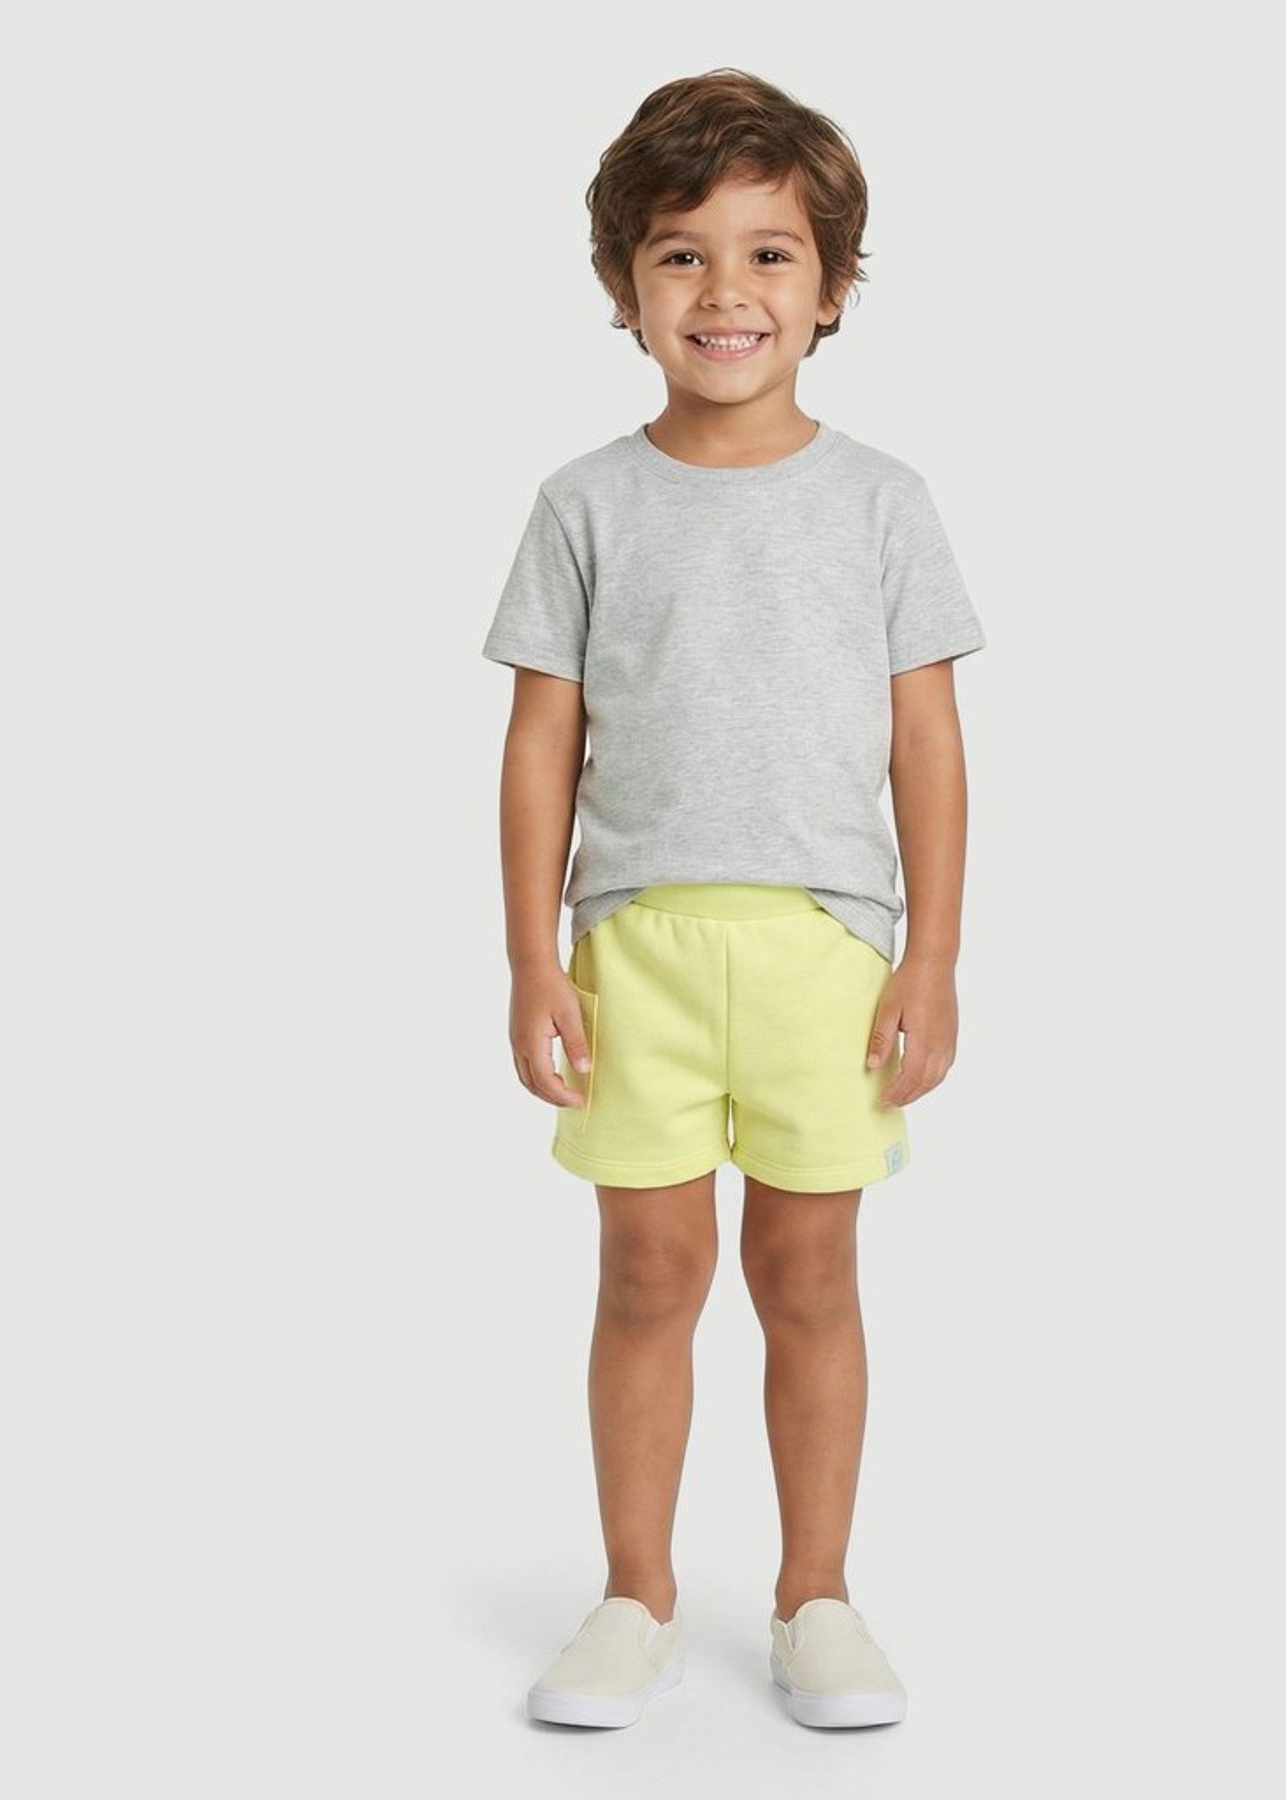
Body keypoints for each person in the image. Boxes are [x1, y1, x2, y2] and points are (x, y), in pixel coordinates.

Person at [482, 69, 986, 1731]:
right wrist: (532, 963)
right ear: (624, 286)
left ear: (831, 289)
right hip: (634, 949)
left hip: (826, 958)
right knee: (646, 1273)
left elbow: (928, 743)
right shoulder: (584, 504)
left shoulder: (882, 502)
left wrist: (932, 958)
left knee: (809, 1276)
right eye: (682, 255)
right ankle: (634, 1595)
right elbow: (540, 745)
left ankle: (815, 1596)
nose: (726, 292)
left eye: (771, 254)